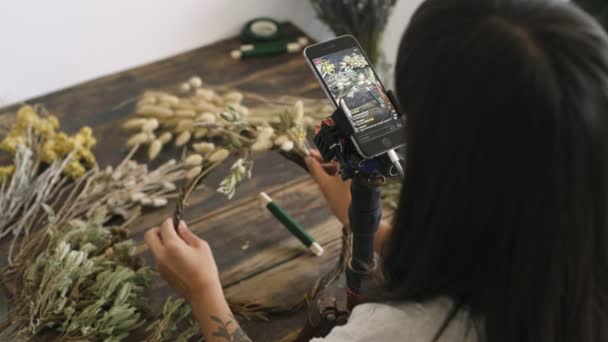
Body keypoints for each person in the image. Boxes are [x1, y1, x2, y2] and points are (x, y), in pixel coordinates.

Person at [144, 0, 608, 340]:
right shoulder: (567, 267)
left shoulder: (402, 332)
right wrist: (370, 224)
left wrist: (203, 293)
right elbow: (494, 263)